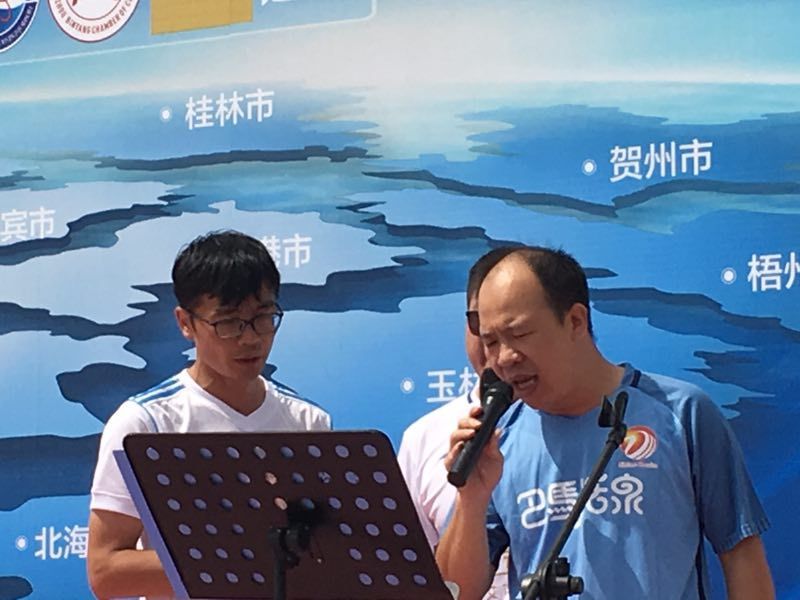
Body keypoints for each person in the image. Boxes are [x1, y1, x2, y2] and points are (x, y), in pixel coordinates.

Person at [436, 246, 774, 600]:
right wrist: (471, 499)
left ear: (575, 321)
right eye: (491, 342)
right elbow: (455, 591)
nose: (504, 358)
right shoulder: (499, 440)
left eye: (519, 334)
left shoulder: (682, 413)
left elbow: (741, 555)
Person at [87, 230, 331, 600]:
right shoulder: (144, 423)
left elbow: (330, 557)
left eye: (264, 317)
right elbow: (106, 572)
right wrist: (243, 558)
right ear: (185, 322)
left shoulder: (308, 423)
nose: (250, 338)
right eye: (228, 323)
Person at [398, 247, 516, 600]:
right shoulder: (423, 437)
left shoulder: (576, 422)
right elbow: (412, 571)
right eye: (481, 324)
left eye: (512, 328)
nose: (495, 344)